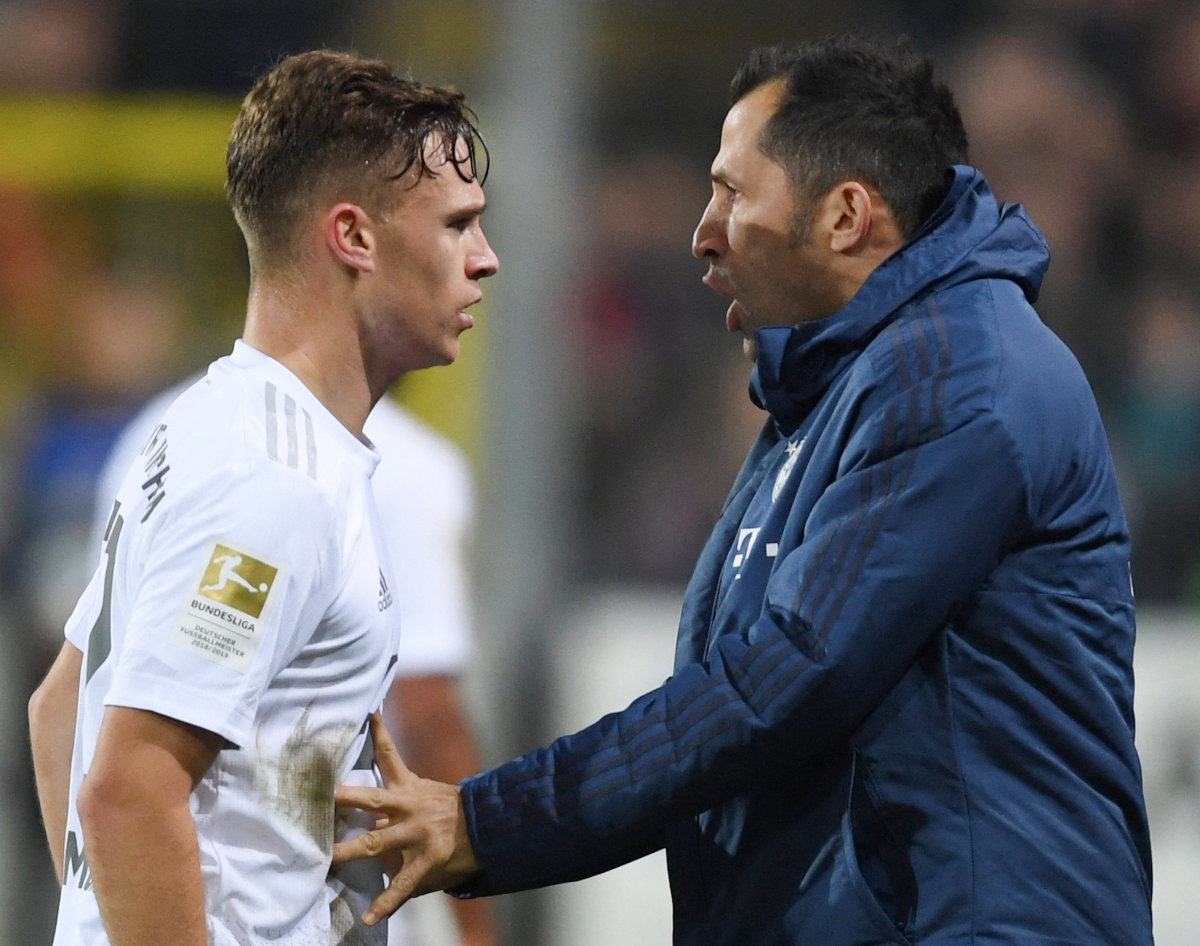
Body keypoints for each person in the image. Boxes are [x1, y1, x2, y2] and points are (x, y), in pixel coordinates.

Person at [333, 36, 1154, 946]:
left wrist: (490, 822)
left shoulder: (959, 377)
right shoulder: (840, 387)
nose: (704, 231)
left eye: (732, 192)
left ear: (846, 215)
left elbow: (784, 681)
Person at [27, 48, 498, 946]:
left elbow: (62, 709)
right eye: (457, 224)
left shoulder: (212, 421)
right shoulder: (276, 479)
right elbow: (127, 786)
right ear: (354, 237)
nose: (485, 259)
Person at [86, 381, 496, 946]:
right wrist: (475, 932)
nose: (474, 285)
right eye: (452, 279)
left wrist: (92, 914)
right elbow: (427, 714)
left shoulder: (167, 425)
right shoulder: (354, 470)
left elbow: (64, 697)